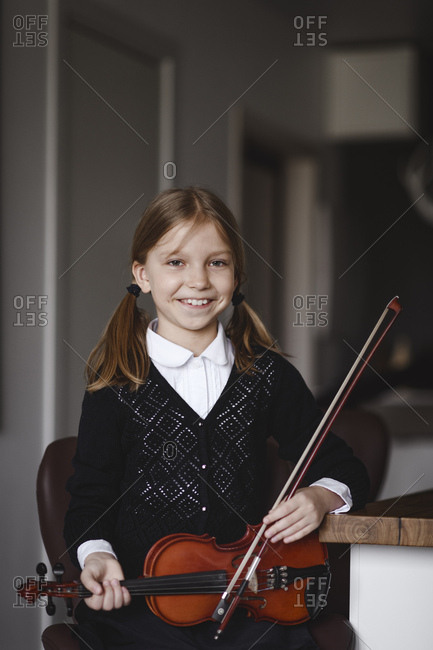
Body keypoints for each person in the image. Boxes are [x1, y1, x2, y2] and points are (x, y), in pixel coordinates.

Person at [64, 187, 369, 650]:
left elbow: (344, 467)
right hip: (144, 611)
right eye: (176, 262)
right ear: (142, 275)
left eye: (217, 262)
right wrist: (97, 555)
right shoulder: (115, 384)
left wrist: (320, 497)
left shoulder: (268, 375)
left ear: (236, 274)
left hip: (249, 604)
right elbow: (89, 501)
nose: (199, 281)